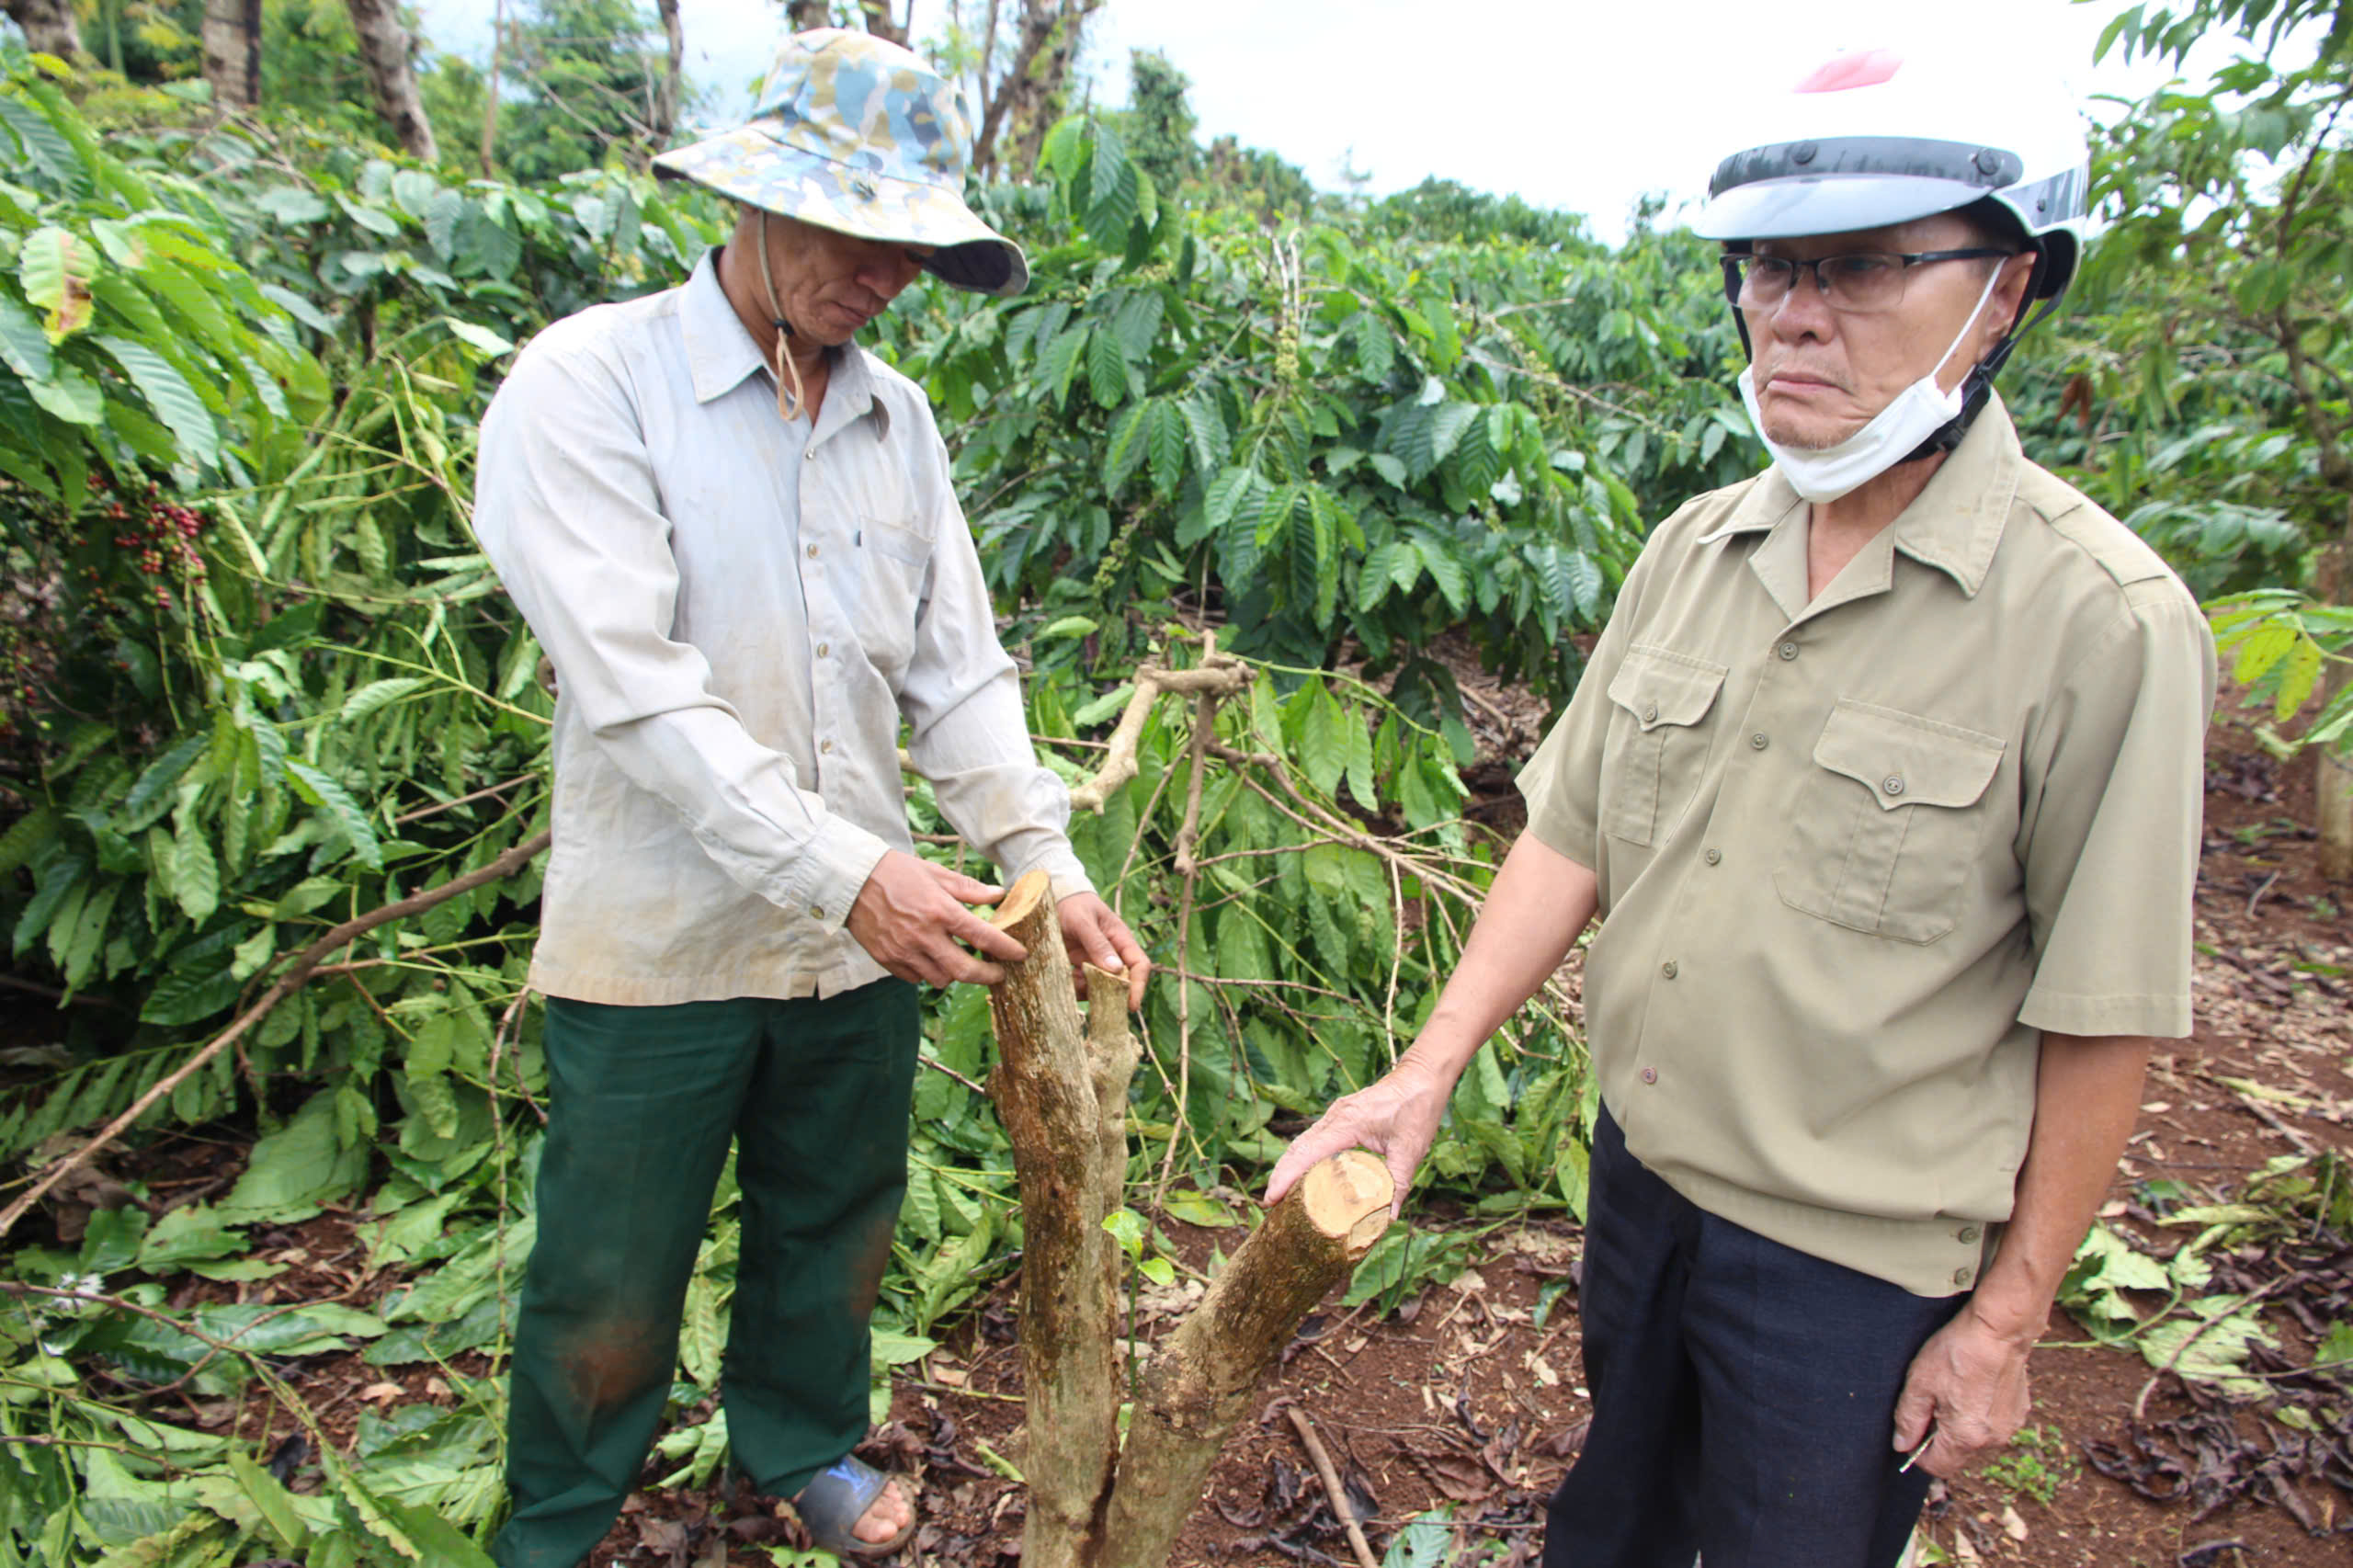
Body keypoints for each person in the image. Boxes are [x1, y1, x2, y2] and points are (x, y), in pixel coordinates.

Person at [1267, 47, 2213, 1568]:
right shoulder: (1696, 549)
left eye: (1862, 270)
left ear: (2009, 288)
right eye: (1769, 267)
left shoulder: (2101, 622)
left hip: (1854, 1259)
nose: (1794, 314)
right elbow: (1568, 830)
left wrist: (2008, 1318)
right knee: (1617, 1524)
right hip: (1642, 1185)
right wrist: (1426, 1070)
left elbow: (2103, 1009)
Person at [472, 28, 1147, 1567]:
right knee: (609, 1267)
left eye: (911, 243)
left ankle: (800, 1440)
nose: (886, 274)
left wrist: (1045, 850)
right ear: (753, 205)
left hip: (863, 946)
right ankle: (563, 1517)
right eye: (858, 233)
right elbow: (639, 692)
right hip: (665, 936)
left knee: (832, 1221)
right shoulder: (590, 386)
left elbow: (958, 672)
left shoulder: (893, 420)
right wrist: (848, 868)